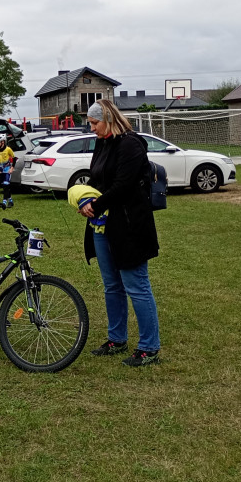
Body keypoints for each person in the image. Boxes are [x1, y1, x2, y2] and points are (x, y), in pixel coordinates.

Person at [79, 99, 162, 367]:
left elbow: (123, 185)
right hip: (102, 226)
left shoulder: (131, 144)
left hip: (129, 225)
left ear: (109, 119)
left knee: (136, 285)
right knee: (112, 285)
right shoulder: (103, 143)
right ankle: (117, 339)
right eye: (90, 124)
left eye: (94, 123)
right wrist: (83, 199)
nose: (92, 129)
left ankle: (149, 347)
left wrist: (97, 203)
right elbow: (96, 178)